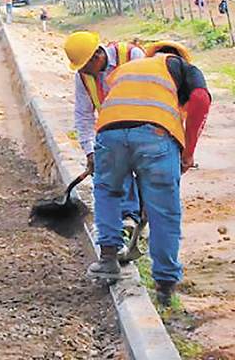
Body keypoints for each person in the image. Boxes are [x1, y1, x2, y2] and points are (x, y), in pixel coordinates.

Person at [84, 46, 210, 309]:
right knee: (164, 210)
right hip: (156, 135)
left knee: (108, 190)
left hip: (109, 132)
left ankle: (108, 258)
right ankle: (165, 286)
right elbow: (199, 99)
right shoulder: (183, 68)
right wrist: (188, 151)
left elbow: (125, 112)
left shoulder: (126, 70)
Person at [64, 31, 146, 254]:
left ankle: (137, 220)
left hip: (146, 123)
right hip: (112, 130)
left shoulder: (132, 55)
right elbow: (83, 115)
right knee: (113, 163)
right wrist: (90, 152)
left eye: (83, 65)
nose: (81, 71)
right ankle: (129, 219)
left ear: (96, 57)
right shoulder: (83, 77)